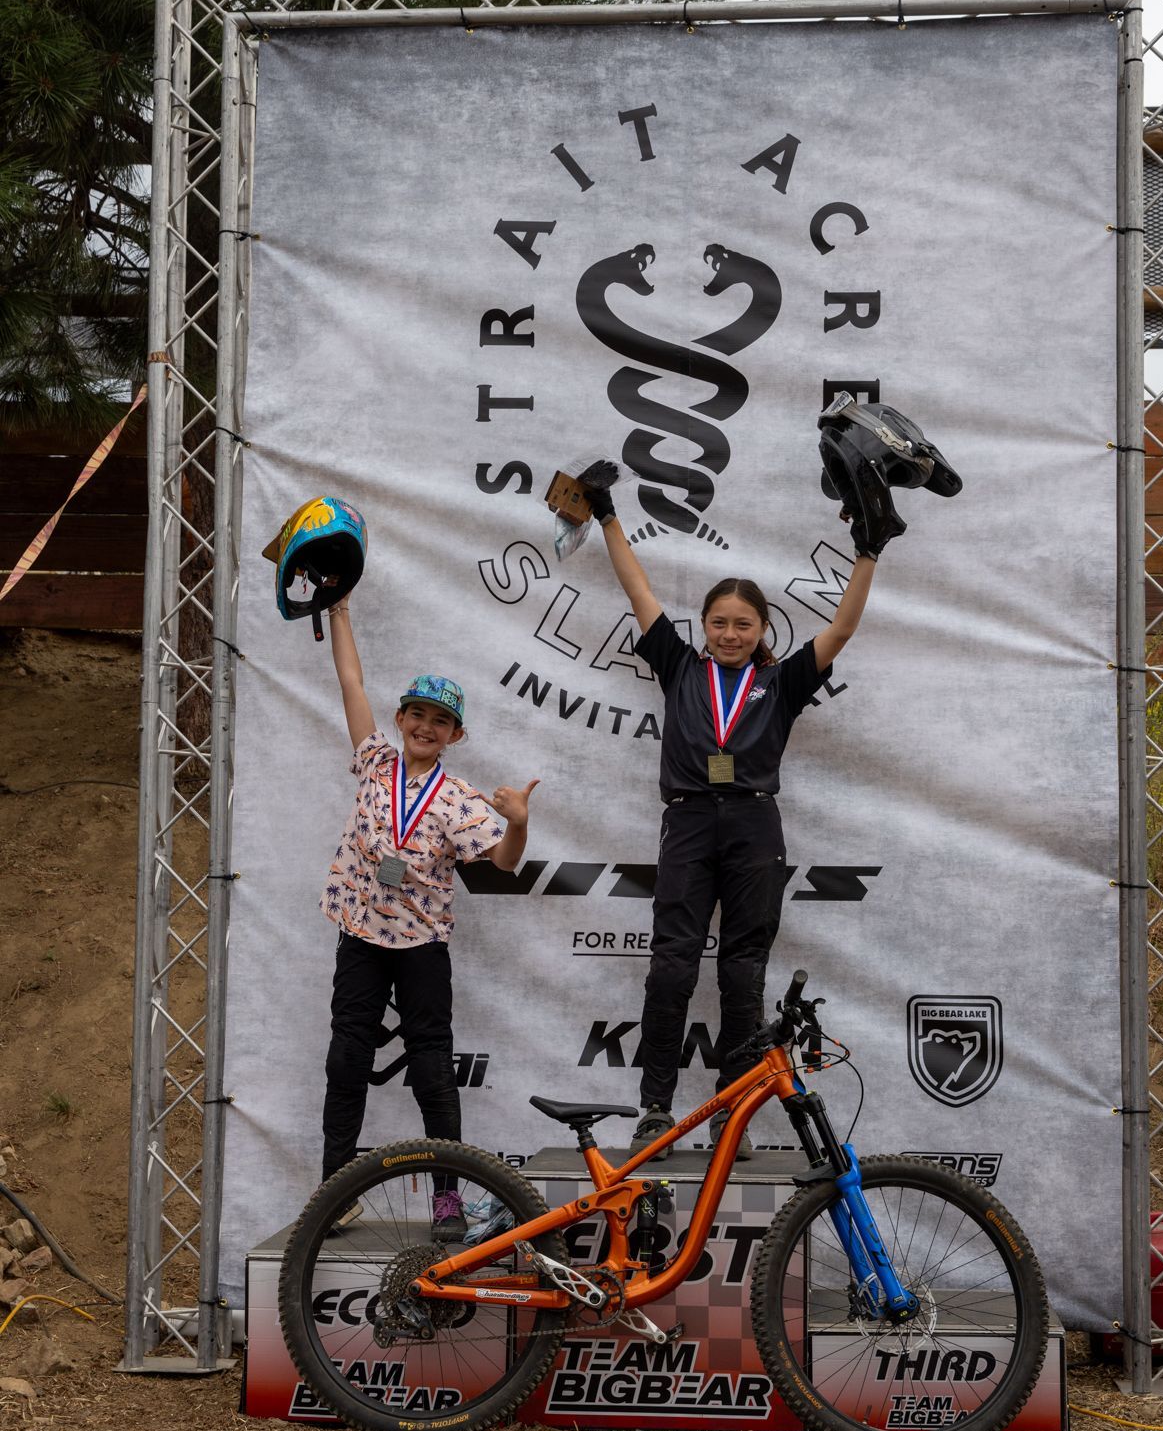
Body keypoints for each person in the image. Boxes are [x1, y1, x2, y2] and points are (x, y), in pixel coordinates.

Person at [583, 478, 877, 1160]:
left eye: (743, 624)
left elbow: (842, 627)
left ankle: (730, 1113)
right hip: (687, 824)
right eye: (719, 622)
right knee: (670, 970)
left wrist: (866, 553)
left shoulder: (781, 683)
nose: (730, 634)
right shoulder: (679, 666)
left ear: (762, 632)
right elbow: (637, 589)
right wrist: (605, 514)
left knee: (742, 976)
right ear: (704, 626)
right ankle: (655, 1110)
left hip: (752, 828)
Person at [318, 596, 538, 1235]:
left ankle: (448, 1200)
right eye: (417, 713)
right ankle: (337, 1191)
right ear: (400, 718)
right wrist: (339, 611)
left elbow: (503, 863)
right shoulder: (374, 762)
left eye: (440, 720)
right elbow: (350, 680)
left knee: (434, 1072)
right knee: (345, 1062)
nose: (425, 726)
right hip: (359, 936)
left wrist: (519, 824)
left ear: (455, 735)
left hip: (419, 946)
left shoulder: (461, 800)